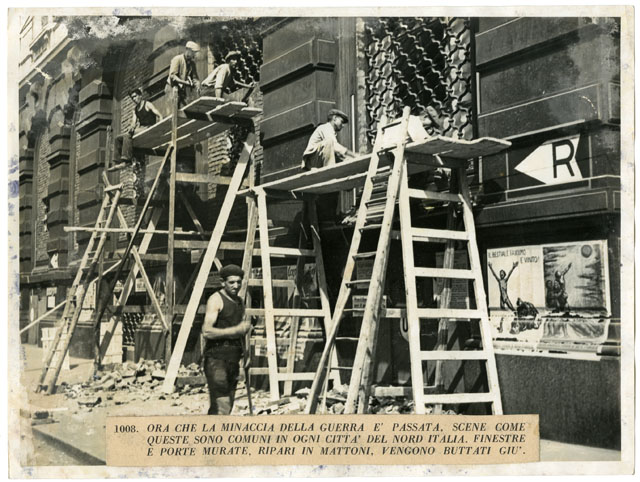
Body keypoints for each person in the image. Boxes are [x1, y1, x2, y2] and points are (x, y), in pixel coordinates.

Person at [201, 264, 251, 415]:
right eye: (231, 282)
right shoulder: (216, 299)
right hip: (216, 359)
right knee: (222, 404)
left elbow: (243, 330)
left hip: (233, 358)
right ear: (222, 282)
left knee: (226, 405)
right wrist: (235, 331)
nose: (236, 286)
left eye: (239, 282)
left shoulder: (239, 301)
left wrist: (247, 354)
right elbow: (207, 331)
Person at [109, 88, 162, 171]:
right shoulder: (135, 110)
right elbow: (133, 122)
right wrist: (131, 127)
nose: (134, 99)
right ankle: (118, 162)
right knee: (118, 138)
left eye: (135, 96)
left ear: (140, 96)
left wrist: (159, 127)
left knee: (128, 135)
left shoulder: (147, 104)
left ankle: (126, 161)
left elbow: (159, 115)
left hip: (149, 128)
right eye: (132, 97)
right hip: (141, 128)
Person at [166, 41, 200, 108]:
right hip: (172, 88)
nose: (194, 55)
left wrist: (198, 85)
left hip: (181, 90)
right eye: (193, 52)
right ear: (188, 50)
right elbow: (172, 76)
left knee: (184, 109)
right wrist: (185, 82)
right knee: (173, 110)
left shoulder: (192, 63)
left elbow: (195, 77)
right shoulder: (177, 59)